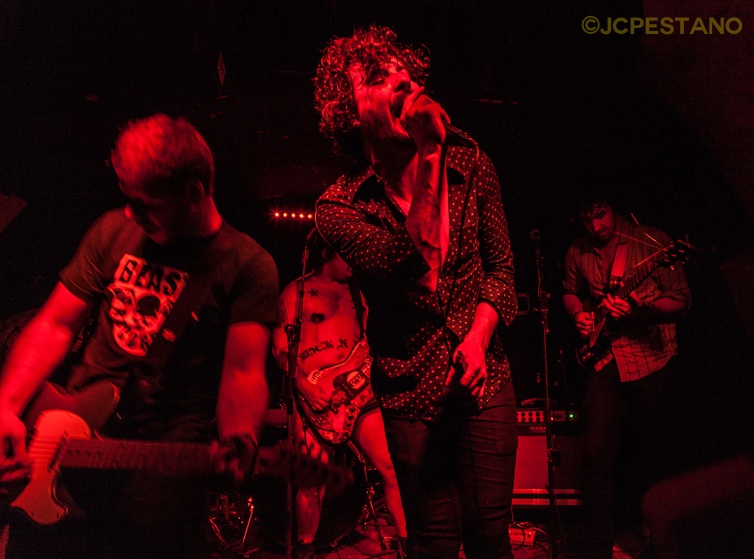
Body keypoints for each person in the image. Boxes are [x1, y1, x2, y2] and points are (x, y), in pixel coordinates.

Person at [0, 114, 279, 558]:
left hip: (163, 456)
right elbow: (55, 325)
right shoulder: (112, 230)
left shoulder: (247, 264)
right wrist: (7, 407)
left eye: (145, 203)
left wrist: (240, 435)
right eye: (127, 199)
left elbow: (243, 371)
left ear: (194, 193)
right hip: (70, 431)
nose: (131, 213)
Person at [313, 25, 519, 559]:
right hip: (410, 397)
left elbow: (501, 272)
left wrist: (478, 337)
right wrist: (429, 152)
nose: (401, 78)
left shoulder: (471, 162)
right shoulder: (340, 207)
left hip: (485, 382)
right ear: (348, 112)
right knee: (433, 544)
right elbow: (417, 271)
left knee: (490, 537)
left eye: (403, 69)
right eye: (378, 77)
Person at [562, 194, 691, 558]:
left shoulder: (653, 243)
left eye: (601, 215)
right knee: (594, 454)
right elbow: (570, 292)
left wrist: (642, 308)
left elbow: (682, 300)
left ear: (613, 206)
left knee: (652, 455)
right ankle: (597, 545)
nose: (596, 226)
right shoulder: (578, 250)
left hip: (652, 359)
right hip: (606, 359)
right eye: (587, 220)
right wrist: (579, 315)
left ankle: (658, 539)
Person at [272, 230, 407, 559]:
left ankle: (408, 545)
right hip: (314, 394)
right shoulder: (296, 291)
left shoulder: (358, 291)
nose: (352, 261)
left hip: (360, 391)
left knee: (392, 468)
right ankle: (305, 548)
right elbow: (279, 346)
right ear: (325, 254)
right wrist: (303, 385)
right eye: (345, 253)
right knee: (312, 481)